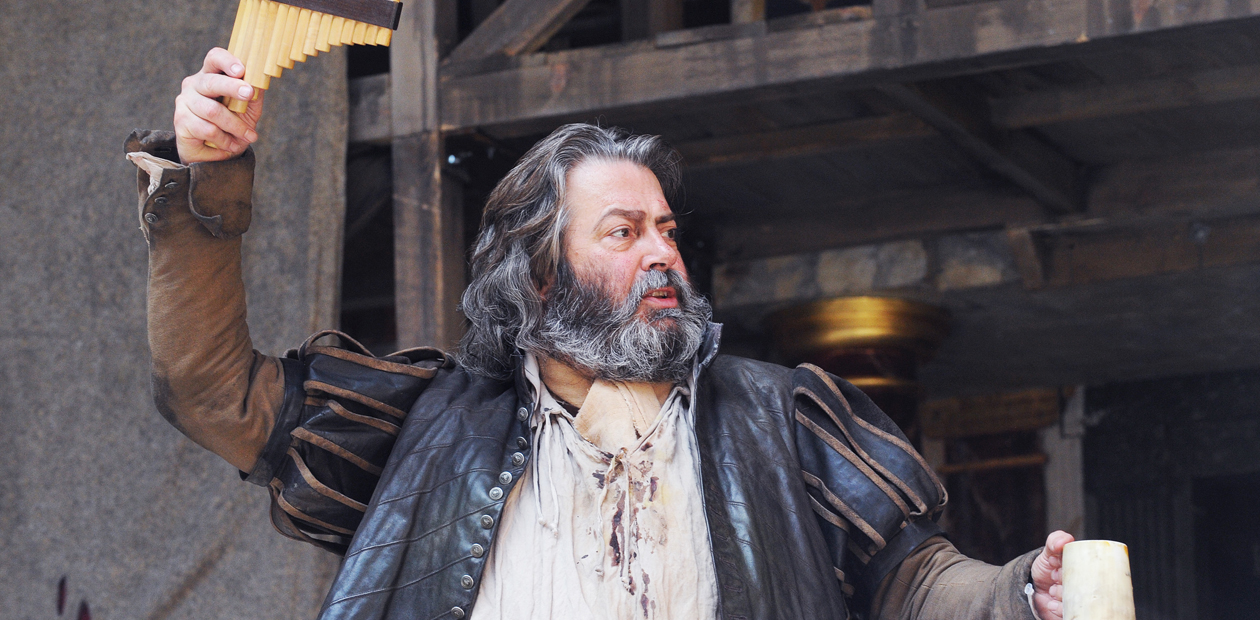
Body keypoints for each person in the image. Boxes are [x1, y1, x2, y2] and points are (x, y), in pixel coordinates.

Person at [125, 47, 1074, 620]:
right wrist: (203, 183)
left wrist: (1022, 593)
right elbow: (209, 391)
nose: (662, 253)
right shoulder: (425, 430)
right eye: (621, 233)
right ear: (541, 272)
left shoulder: (782, 418)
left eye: (667, 230)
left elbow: (916, 587)